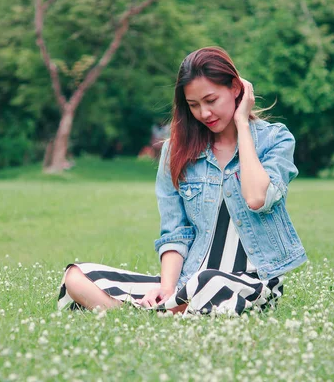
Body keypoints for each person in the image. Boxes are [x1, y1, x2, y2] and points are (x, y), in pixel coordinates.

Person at [57, 47, 307, 315]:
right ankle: (160, 311)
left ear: (236, 88)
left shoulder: (275, 140)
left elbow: (257, 198)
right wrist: (167, 287)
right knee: (76, 276)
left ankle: (153, 313)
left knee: (208, 282)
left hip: (249, 284)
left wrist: (243, 124)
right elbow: (175, 232)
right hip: (187, 283)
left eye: (211, 100)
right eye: (194, 105)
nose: (204, 113)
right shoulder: (176, 150)